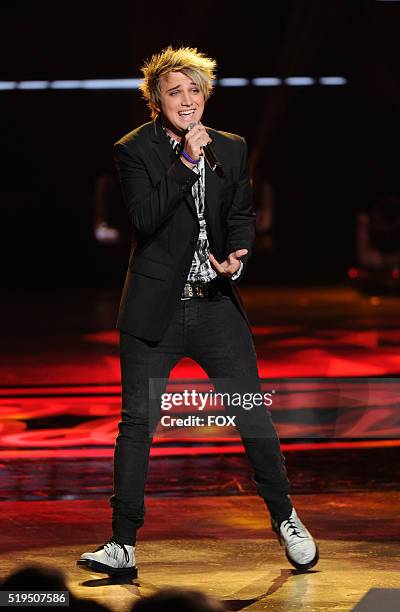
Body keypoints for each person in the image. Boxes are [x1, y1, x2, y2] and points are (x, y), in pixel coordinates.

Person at [77, 46, 318, 578]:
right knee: (137, 424)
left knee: (252, 414)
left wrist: (239, 253)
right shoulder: (133, 150)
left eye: (194, 90)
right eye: (174, 92)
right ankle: (123, 544)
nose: (186, 100)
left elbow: (241, 214)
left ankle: (287, 518)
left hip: (215, 309)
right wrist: (185, 160)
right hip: (153, 312)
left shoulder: (230, 148)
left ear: (206, 94)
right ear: (155, 102)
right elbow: (145, 217)